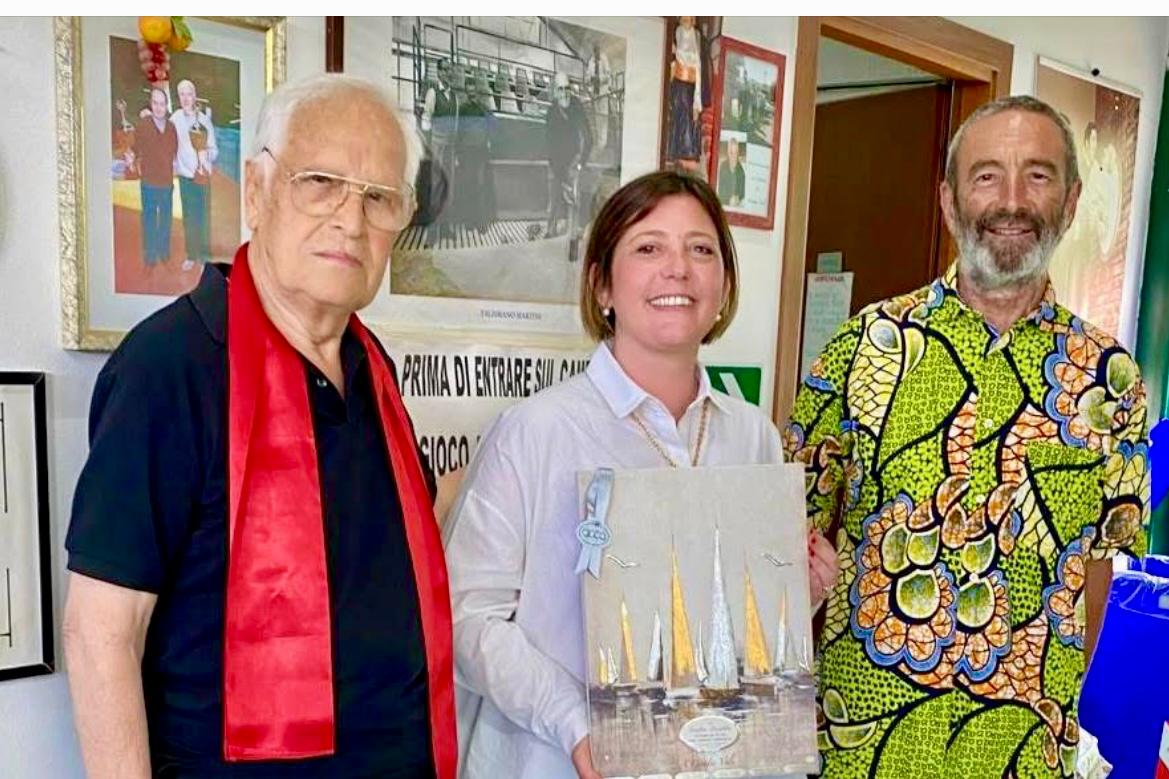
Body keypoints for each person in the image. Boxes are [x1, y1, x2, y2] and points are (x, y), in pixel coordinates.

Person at [63, 74, 457, 778]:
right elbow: (101, 632)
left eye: (379, 198)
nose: (351, 220)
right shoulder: (171, 367)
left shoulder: (373, 369)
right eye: (321, 183)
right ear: (255, 191)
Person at [787, 95, 1149, 777]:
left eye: (1037, 175)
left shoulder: (1112, 379)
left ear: (1071, 201)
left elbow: (1097, 568)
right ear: (949, 202)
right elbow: (787, 538)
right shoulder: (861, 347)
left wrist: (1048, 695)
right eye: (986, 176)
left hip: (1024, 755)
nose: (1011, 200)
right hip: (861, 749)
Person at [445, 170, 839, 779]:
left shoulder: (752, 435)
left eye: (700, 249)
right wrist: (576, 724)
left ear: (724, 285)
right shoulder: (535, 432)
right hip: (554, 763)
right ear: (602, 284)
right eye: (648, 247)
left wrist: (797, 590)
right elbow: (468, 621)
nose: (677, 269)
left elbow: (739, 622)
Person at [171, 78, 218, 271]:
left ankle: (204, 257)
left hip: (202, 176)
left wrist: (205, 155)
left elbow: (214, 149)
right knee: (189, 217)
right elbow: (170, 145)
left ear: (195, 96)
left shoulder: (204, 120)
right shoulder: (175, 119)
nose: (185, 98)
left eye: (189, 94)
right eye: (182, 94)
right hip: (185, 177)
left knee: (203, 217)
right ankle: (191, 255)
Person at [128, 87, 178, 265]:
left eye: (162, 104)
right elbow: (135, 147)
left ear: (166, 106)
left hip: (166, 182)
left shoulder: (171, 128)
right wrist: (131, 155)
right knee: (149, 220)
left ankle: (163, 252)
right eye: (155, 103)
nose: (158, 108)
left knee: (165, 220)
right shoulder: (143, 126)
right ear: (151, 104)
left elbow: (175, 151)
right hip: (148, 182)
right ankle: (150, 255)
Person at [545, 72, 592, 247]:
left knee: (575, 201)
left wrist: (580, 164)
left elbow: (588, 137)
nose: (564, 93)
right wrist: (560, 176)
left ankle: (572, 239)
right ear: (555, 92)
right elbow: (550, 146)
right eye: (560, 89)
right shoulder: (551, 112)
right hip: (556, 162)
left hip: (573, 162)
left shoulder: (577, 107)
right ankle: (550, 232)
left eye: (567, 88)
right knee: (554, 200)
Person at [666, 17, 703, 172]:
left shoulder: (696, 36)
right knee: (676, 117)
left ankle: (686, 156)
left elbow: (698, 67)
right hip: (678, 83)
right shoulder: (678, 32)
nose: (686, 21)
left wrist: (697, 99)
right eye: (684, 18)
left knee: (688, 119)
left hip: (690, 85)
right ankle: (672, 153)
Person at [717, 137, 746, 207]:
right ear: (728, 152)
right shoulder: (723, 166)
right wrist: (728, 200)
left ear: (738, 153)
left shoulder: (741, 169)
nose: (733, 156)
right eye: (731, 152)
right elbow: (720, 191)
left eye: (735, 152)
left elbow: (742, 192)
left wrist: (738, 198)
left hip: (737, 206)